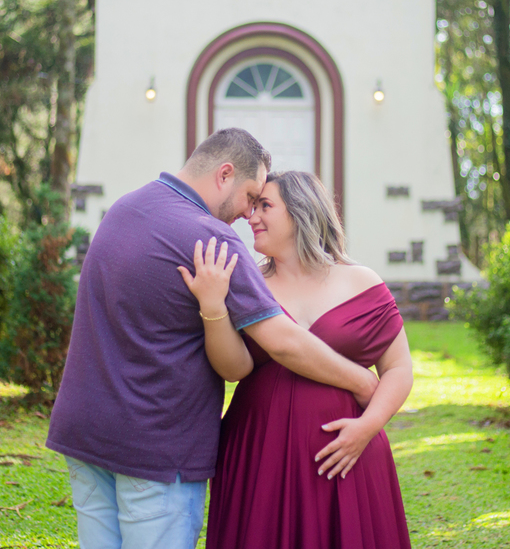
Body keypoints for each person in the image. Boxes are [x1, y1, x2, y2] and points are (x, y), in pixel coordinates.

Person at [46, 129, 378, 549]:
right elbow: (282, 342)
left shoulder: (123, 209)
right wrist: (361, 381)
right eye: (250, 195)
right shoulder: (210, 238)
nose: (248, 213)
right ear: (225, 174)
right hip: (157, 450)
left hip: (85, 434)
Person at [180, 170, 414, 549]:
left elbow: (399, 369)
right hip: (260, 451)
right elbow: (231, 368)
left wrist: (366, 429)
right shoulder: (248, 282)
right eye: (252, 206)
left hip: (345, 453)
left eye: (265, 206)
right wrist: (212, 304)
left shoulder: (361, 282)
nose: (251, 217)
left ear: (301, 212)